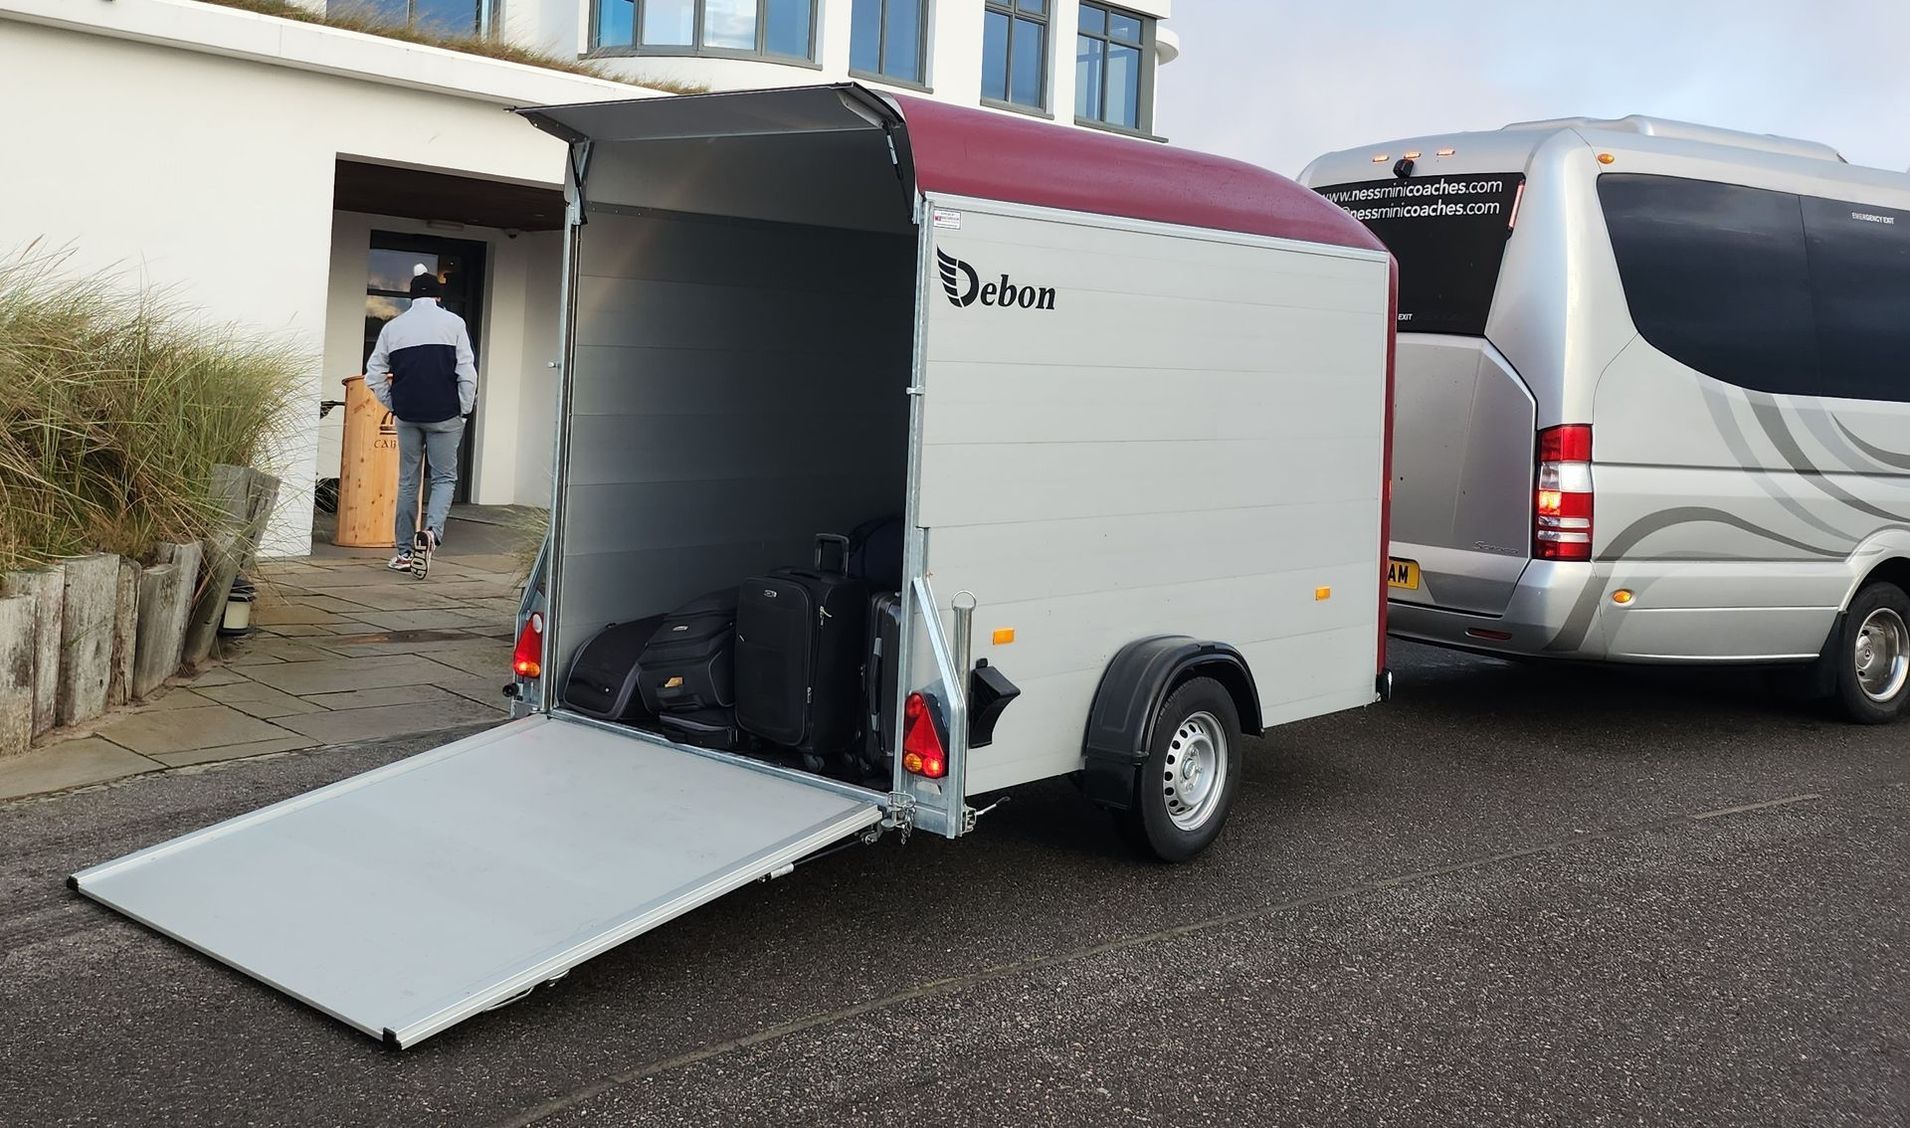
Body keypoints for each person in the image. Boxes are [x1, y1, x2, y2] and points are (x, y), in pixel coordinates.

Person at [365, 265, 477, 576]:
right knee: (443, 479)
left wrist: (395, 403)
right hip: (445, 414)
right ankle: (431, 534)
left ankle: (403, 553)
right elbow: (466, 373)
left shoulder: (393, 328)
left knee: (408, 481)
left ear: (411, 297)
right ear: (439, 297)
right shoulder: (454, 323)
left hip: (409, 415)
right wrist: (464, 409)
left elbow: (372, 375)